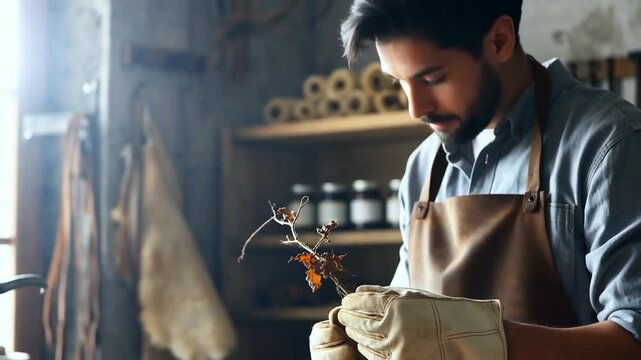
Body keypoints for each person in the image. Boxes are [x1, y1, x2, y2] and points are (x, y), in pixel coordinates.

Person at [309, 0, 641, 359]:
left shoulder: (611, 143)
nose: (415, 108)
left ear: (499, 39)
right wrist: (367, 348)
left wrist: (477, 340)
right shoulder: (423, 168)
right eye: (399, 82)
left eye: (433, 78)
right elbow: (410, 332)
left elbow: (634, 336)